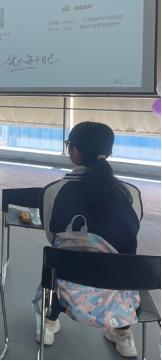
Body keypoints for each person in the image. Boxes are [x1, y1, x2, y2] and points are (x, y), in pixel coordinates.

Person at [39, 121, 143, 357]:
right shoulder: (131, 194)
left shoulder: (53, 191)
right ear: (109, 151)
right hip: (118, 294)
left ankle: (49, 322)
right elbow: (129, 238)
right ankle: (123, 334)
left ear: (75, 151)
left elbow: (53, 238)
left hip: (69, 290)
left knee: (56, 261)